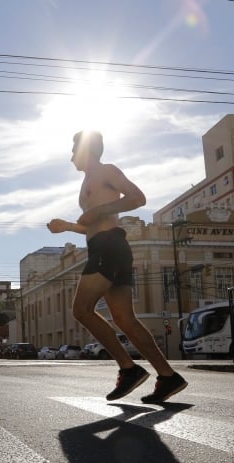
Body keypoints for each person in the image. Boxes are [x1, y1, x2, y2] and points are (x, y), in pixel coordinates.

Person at [47, 131, 187, 403]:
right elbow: (93, 225)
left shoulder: (106, 171)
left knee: (81, 309)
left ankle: (128, 368)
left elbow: (137, 198)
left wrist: (99, 211)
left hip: (109, 248)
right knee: (125, 320)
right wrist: (67, 226)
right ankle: (168, 376)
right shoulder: (89, 181)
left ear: (86, 151)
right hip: (106, 247)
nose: (70, 157)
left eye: (73, 150)